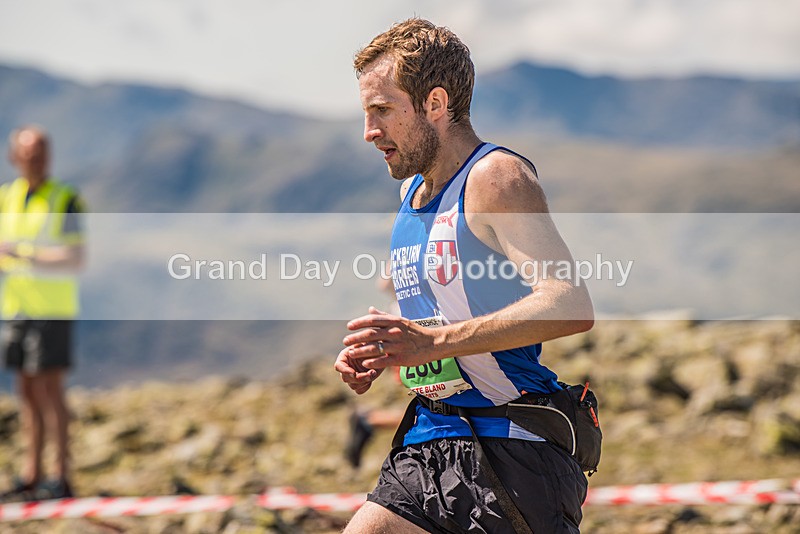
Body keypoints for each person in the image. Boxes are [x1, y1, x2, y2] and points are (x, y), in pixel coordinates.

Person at [334, 18, 595, 533]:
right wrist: (385, 347)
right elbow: (446, 313)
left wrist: (433, 343)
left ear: (435, 104)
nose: (369, 132)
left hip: (513, 447)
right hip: (429, 440)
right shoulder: (410, 195)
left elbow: (569, 303)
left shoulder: (497, 177)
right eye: (367, 113)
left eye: (382, 111)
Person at [0, 126, 85, 501]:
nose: (36, 159)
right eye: (30, 152)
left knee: (50, 391)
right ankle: (31, 474)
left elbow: (75, 256)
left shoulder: (65, 199)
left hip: (53, 308)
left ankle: (60, 476)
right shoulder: (7, 198)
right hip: (18, 307)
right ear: (14, 156)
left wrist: (25, 254)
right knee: (26, 391)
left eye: (42, 152)